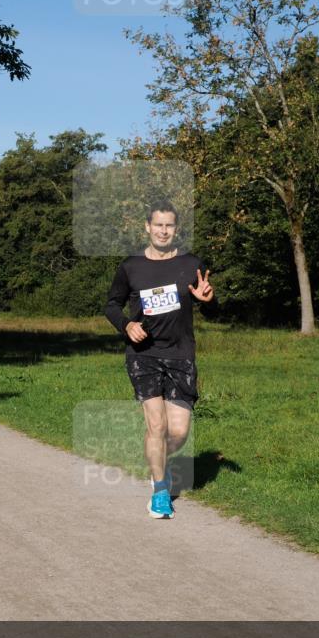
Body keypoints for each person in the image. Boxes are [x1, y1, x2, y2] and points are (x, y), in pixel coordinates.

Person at [104, 204, 215, 519]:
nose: (163, 231)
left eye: (169, 226)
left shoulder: (190, 264)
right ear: (147, 227)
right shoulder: (131, 266)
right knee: (156, 424)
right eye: (158, 225)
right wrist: (126, 324)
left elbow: (210, 302)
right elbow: (111, 305)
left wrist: (208, 300)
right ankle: (160, 492)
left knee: (177, 432)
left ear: (176, 229)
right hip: (144, 354)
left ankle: (157, 463)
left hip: (181, 354)